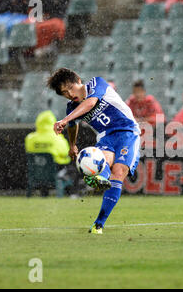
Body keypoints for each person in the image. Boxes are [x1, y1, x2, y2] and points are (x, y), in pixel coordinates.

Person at [47, 68, 141, 235]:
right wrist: (73, 145)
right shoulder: (72, 108)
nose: (69, 94)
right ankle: (100, 180)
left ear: (78, 80)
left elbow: (89, 104)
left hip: (128, 133)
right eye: (64, 93)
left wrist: (65, 119)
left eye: (70, 88)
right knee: (102, 160)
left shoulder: (97, 83)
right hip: (106, 137)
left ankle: (99, 222)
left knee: (118, 173)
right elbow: (73, 125)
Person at [25, 110, 76, 196]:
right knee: (72, 168)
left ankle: (43, 193)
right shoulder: (58, 138)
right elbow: (66, 153)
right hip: (55, 172)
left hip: (36, 173)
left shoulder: (30, 138)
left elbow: (29, 151)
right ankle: (73, 194)